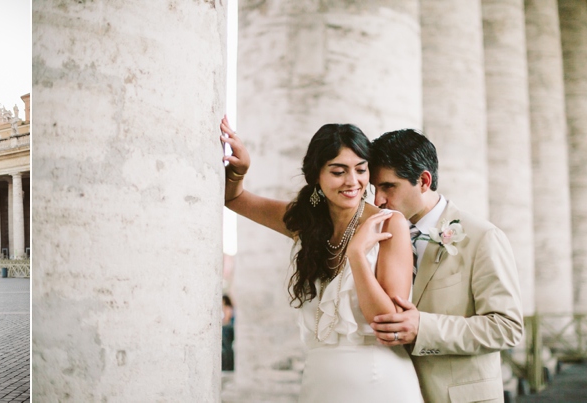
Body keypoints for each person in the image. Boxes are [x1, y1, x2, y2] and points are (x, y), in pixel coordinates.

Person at [219, 116, 422, 402]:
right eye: (338, 171)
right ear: (317, 176)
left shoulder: (389, 224)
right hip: (320, 381)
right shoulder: (304, 221)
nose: (353, 181)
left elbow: (386, 321)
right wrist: (240, 170)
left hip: (379, 381)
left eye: (361, 170)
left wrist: (357, 257)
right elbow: (233, 199)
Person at [367, 129, 524, 403]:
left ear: (424, 180)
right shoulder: (378, 237)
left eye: (388, 186)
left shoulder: (483, 237)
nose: (377, 200)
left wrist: (423, 328)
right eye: (374, 188)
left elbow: (507, 327)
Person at [221, 295, 235, 371]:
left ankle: (229, 366)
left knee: (227, 347)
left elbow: (226, 320)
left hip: (227, 329)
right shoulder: (224, 309)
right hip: (226, 329)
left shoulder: (227, 309)